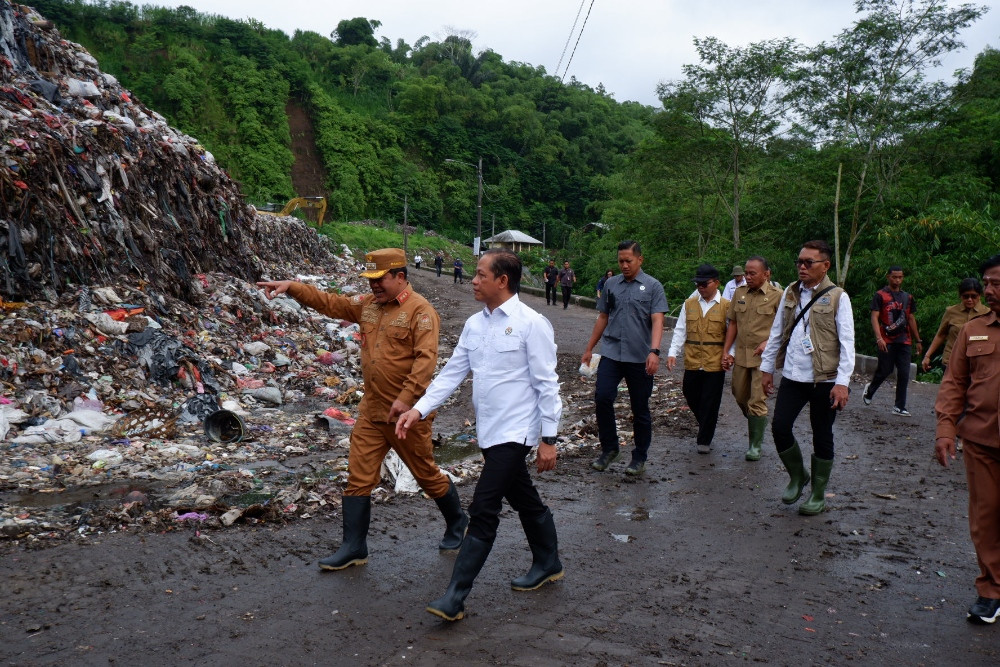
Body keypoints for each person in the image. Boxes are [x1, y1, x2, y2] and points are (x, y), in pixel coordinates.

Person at [256, 248, 468, 571]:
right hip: (372, 410)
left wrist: (406, 397)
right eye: (370, 280)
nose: (373, 286)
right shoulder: (368, 305)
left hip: (406, 415)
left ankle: (457, 522)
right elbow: (330, 302)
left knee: (425, 474)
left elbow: (426, 361)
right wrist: (293, 287)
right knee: (359, 476)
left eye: (380, 279)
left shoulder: (421, 312)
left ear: (400, 276)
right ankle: (354, 547)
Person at [396, 249, 563, 622]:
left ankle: (455, 596)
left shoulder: (531, 324)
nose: (473, 280)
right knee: (523, 498)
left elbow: (547, 384)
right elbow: (452, 374)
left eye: (480, 275)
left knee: (484, 507)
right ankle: (549, 562)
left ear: (502, 281)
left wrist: (548, 439)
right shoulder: (474, 324)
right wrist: (418, 409)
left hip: (516, 431)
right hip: (488, 431)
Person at [760, 240, 855, 515]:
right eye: (799, 262)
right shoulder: (790, 292)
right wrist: (767, 369)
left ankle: (818, 493)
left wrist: (842, 383)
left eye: (808, 262)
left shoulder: (838, 297)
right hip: (793, 375)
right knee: (780, 427)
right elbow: (776, 332)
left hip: (825, 378)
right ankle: (798, 475)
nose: (802, 267)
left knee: (821, 434)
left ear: (825, 266)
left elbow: (847, 343)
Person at [935, 254, 1000, 625]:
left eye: (996, 284)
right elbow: (954, 383)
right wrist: (946, 429)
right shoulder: (974, 329)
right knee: (985, 518)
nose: (988, 290)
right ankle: (991, 591)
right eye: (986, 283)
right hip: (982, 441)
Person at [582, 240, 668, 475]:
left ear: (640, 259)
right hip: (612, 352)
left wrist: (654, 351)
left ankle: (639, 456)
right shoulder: (611, 284)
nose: (624, 265)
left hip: (640, 356)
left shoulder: (653, 286)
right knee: (602, 397)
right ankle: (610, 449)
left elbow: (658, 320)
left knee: (639, 408)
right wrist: (589, 348)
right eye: (621, 261)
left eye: (628, 261)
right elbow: (603, 317)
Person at [721, 256, 781, 461]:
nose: (747, 276)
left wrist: (768, 343)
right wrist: (726, 351)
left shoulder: (777, 296)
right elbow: (733, 324)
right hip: (741, 355)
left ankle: (754, 446)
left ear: (766, 274)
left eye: (752, 273)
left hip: (763, 358)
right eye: (746, 273)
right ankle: (758, 420)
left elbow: (784, 327)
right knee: (739, 394)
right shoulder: (739, 293)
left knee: (756, 399)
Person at [666, 264, 729, 455]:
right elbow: (680, 330)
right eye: (698, 284)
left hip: (715, 362)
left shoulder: (727, 306)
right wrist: (672, 352)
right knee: (689, 392)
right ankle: (707, 423)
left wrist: (730, 354)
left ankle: (704, 439)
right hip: (693, 360)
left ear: (716, 283)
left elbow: (732, 334)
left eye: (704, 284)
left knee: (711, 400)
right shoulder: (689, 304)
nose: (700, 287)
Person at [862, 266, 922, 416]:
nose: (897, 280)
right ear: (888, 277)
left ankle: (899, 406)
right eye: (894, 277)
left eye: (900, 277)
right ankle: (870, 390)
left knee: (904, 373)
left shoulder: (907, 297)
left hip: (904, 339)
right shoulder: (880, 295)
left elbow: (911, 318)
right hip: (886, 339)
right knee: (885, 370)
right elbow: (874, 317)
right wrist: (879, 338)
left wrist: (918, 340)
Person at [922, 277, 989, 372]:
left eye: (973, 296)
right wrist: (927, 356)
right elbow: (941, 335)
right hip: (951, 361)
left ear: (979, 296)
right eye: (966, 296)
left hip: (977, 363)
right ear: (960, 296)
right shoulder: (951, 312)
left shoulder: (988, 313)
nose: (969, 299)